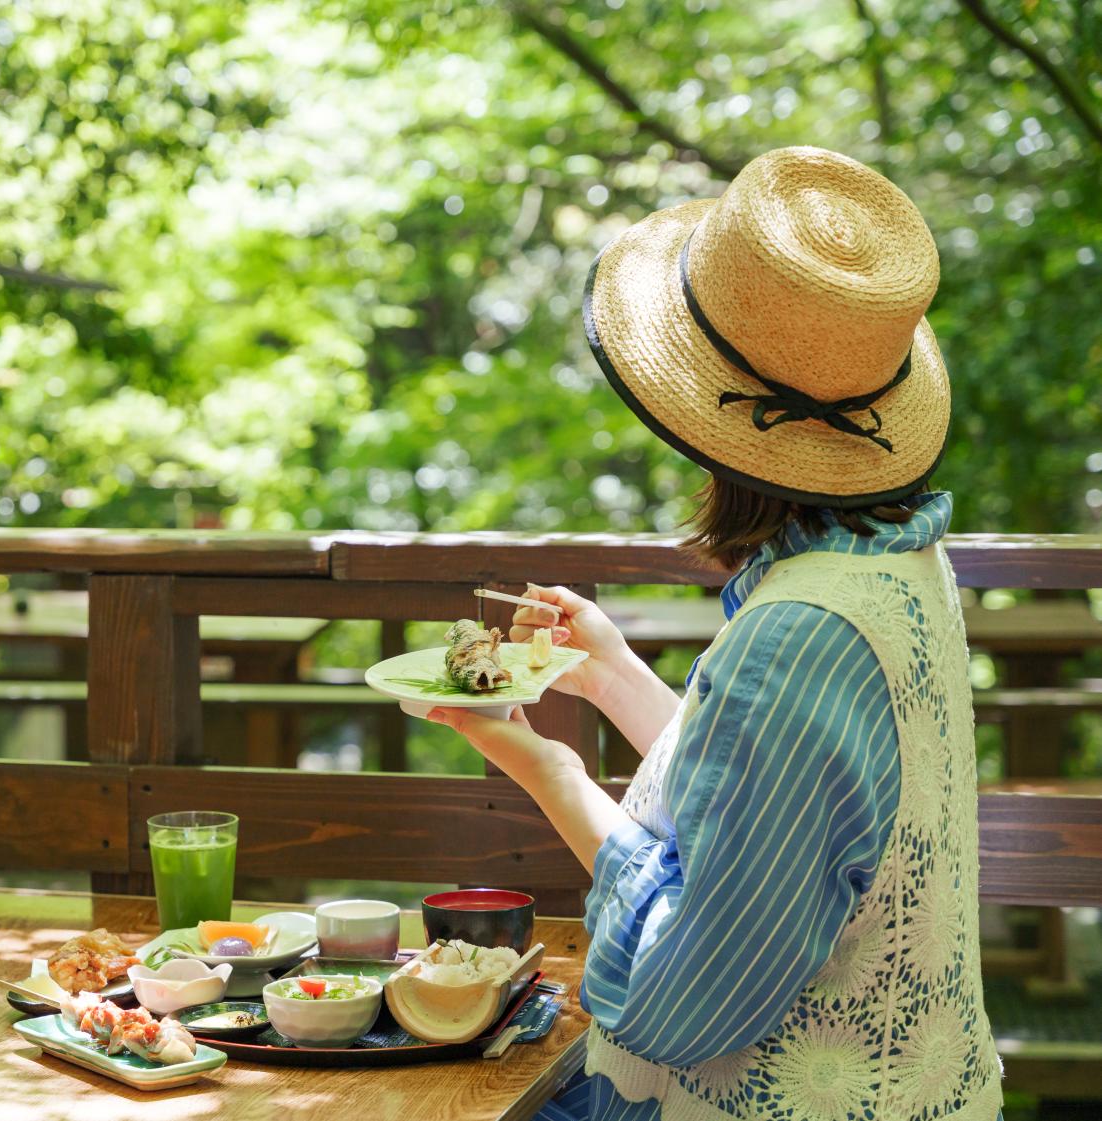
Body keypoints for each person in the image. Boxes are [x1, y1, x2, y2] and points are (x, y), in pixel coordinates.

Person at [428, 147, 1002, 1121]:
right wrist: (611, 676)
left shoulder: (793, 636)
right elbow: (771, 820)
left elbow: (678, 1001)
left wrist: (545, 768)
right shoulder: (897, 563)